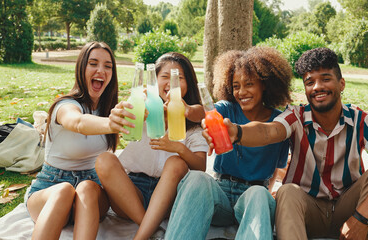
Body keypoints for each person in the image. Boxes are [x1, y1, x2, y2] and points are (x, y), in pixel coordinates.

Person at [212, 47, 368, 239]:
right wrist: (237, 132)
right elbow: (269, 131)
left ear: (341, 84)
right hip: (307, 211)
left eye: (325, 79)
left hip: (348, 210)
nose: (317, 87)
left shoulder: (361, 120)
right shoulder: (295, 116)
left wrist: (360, 218)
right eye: (310, 82)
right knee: (287, 191)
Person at [165, 46, 293, 240]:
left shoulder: (279, 123)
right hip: (221, 193)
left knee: (259, 193)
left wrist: (265, 195)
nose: (241, 91)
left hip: (253, 196)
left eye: (249, 84)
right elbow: (207, 113)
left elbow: (277, 170)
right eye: (235, 86)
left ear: (265, 84)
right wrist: (189, 110)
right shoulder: (227, 109)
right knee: (196, 179)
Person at [95, 52, 208, 240]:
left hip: (169, 197)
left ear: (188, 85)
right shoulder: (143, 110)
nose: (171, 83)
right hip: (131, 194)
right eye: (165, 77)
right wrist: (133, 111)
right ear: (153, 81)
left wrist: (178, 148)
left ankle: (141, 236)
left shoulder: (192, 123)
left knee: (176, 162)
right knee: (104, 160)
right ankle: (149, 227)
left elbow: (201, 166)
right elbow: (118, 126)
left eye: (178, 78)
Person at [26, 41, 125, 240]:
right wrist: (111, 124)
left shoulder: (107, 109)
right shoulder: (65, 106)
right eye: (93, 63)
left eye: (108, 66)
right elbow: (77, 122)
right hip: (50, 186)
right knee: (63, 190)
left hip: (91, 191)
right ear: (81, 68)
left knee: (86, 187)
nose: (101, 70)